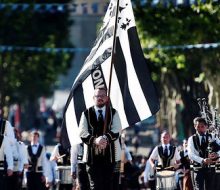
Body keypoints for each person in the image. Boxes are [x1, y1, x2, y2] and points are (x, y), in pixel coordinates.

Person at [79, 88, 122, 190]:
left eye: (102, 96)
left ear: (107, 98)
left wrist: (105, 138)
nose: (100, 98)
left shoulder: (113, 113)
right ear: (93, 98)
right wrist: (95, 141)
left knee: (108, 186)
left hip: (110, 157)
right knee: (95, 186)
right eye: (97, 96)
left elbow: (117, 129)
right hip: (92, 158)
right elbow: (82, 132)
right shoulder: (86, 113)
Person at [187, 117, 220, 190]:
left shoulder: (213, 136)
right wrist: (202, 160)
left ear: (206, 127)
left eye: (202, 126)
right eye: (197, 126)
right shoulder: (191, 139)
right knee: (199, 188)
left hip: (211, 169)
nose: (199, 129)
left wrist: (217, 154)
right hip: (198, 169)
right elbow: (190, 154)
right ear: (195, 127)